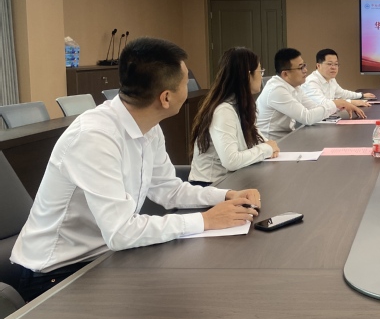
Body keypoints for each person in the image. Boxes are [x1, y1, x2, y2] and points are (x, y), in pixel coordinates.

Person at [10, 37, 260, 302]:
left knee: (192, 291)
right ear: (166, 97)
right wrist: (205, 220)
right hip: (57, 274)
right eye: (185, 82)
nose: (188, 87)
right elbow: (121, 232)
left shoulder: (149, 127)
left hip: (105, 256)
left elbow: (169, 190)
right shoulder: (94, 137)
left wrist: (226, 196)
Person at [189, 47, 280, 185]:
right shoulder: (223, 110)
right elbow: (231, 161)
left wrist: (269, 147)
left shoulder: (240, 105)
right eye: (260, 71)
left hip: (231, 181)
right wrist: (267, 149)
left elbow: (260, 140)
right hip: (210, 186)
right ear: (247, 75)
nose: (262, 76)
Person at [256, 47, 363, 140]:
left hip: (288, 138)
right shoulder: (277, 90)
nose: (305, 70)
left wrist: (340, 104)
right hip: (273, 144)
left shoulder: (295, 86)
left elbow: (314, 107)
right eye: (300, 67)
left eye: (304, 65)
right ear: (285, 74)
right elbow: (307, 117)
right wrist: (337, 103)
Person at [301, 48, 376, 113]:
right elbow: (323, 103)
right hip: (312, 122)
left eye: (336, 64)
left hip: (326, 116)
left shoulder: (331, 79)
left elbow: (342, 93)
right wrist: (351, 102)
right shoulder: (311, 82)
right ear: (318, 66)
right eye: (329, 64)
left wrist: (361, 95)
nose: (333, 67)